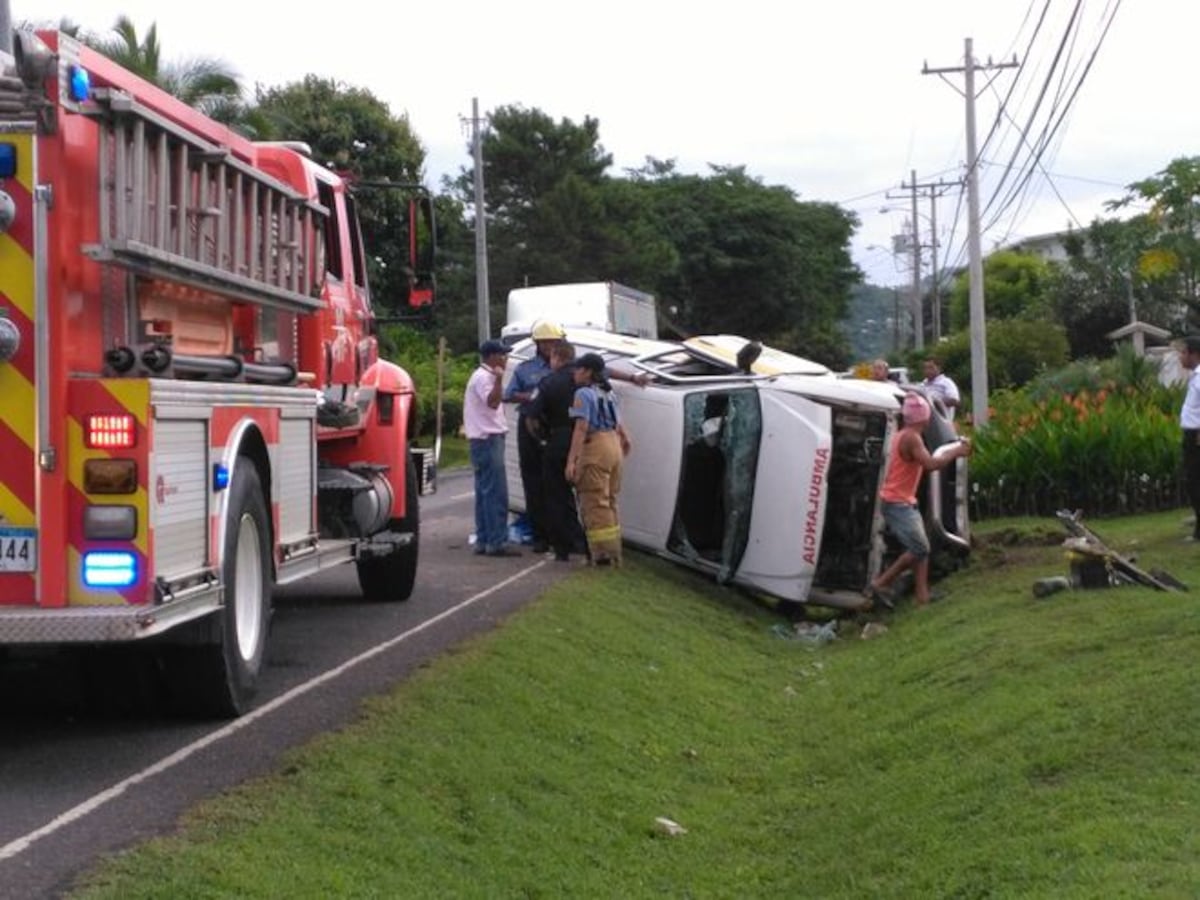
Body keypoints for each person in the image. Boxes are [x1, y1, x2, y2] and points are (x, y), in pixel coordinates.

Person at [863, 393, 971, 607]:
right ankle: (880, 583)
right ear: (924, 418)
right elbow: (931, 464)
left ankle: (922, 597)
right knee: (920, 549)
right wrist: (957, 451)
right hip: (898, 503)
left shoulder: (902, 434)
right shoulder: (912, 437)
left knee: (920, 547)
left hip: (902, 500)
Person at [504, 319, 566, 552]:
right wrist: (533, 397)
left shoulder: (566, 367)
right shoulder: (525, 369)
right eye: (545, 342)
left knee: (557, 483)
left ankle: (560, 535)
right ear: (537, 344)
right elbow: (509, 395)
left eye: (554, 342)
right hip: (530, 425)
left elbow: (597, 370)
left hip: (556, 425)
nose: (550, 346)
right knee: (532, 481)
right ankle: (540, 535)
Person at [566, 353, 632, 567]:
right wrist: (625, 440)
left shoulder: (583, 394)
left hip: (595, 446)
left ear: (587, 372)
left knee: (594, 502)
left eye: (577, 369)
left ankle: (603, 556)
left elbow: (581, 427)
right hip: (613, 445)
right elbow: (619, 426)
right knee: (610, 500)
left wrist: (572, 461)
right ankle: (615, 553)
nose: (574, 373)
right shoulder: (608, 393)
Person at [527, 341, 589, 562]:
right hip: (587, 443)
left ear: (556, 357)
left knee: (555, 495)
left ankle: (561, 548)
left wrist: (541, 439)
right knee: (587, 496)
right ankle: (585, 544)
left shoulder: (548, 383)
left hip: (558, 441)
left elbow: (532, 417)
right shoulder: (587, 381)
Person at [464, 339, 520, 558]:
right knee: (496, 492)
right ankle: (496, 541)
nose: (506, 359)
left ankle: (484, 539)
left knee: (484, 491)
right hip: (488, 438)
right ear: (492, 357)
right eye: (502, 355)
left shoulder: (480, 376)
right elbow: (493, 402)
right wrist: (498, 379)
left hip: (482, 439)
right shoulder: (484, 377)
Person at [1178, 336, 1200, 540]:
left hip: (1197, 436)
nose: (1180, 356)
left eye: (1184, 352)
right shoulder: (1195, 377)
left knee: (1195, 481)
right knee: (1193, 481)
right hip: (1191, 434)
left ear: (1194, 354)